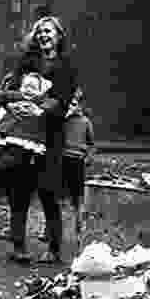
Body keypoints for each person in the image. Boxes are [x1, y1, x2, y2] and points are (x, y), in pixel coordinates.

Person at [0, 15, 79, 265]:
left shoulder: (67, 64)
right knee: (19, 189)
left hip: (49, 135)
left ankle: (53, 248)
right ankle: (18, 245)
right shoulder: (27, 61)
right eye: (39, 31)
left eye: (48, 31)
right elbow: (14, 86)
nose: (43, 35)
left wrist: (42, 111)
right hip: (21, 131)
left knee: (48, 191)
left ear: (59, 36)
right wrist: (17, 106)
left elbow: (63, 98)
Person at [0, 71, 53, 187]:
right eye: (25, 87)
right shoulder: (16, 96)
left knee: (12, 156)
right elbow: (2, 95)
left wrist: (41, 110)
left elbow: (51, 103)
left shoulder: (40, 100)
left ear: (41, 90)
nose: (28, 90)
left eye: (32, 88)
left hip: (25, 135)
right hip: (7, 132)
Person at [61, 90, 95, 235]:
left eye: (75, 103)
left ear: (81, 105)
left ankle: (78, 225)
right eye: (70, 103)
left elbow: (91, 143)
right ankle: (51, 228)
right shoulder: (62, 120)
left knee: (77, 197)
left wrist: (88, 157)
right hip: (61, 159)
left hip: (77, 161)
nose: (72, 106)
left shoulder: (85, 122)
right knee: (59, 196)